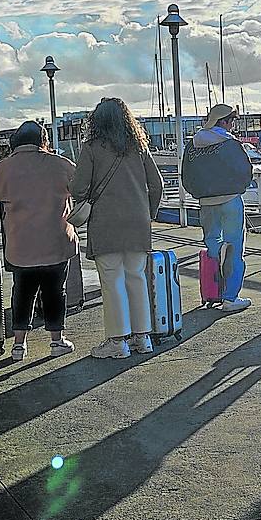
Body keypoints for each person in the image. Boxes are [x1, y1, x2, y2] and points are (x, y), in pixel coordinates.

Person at [72, 98, 163, 358]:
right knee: (137, 278)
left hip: (106, 223)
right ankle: (143, 338)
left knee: (112, 281)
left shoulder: (92, 147)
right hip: (137, 223)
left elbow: (78, 188)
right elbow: (156, 185)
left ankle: (117, 341)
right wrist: (148, 214)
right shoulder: (139, 146)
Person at [0, 121, 78, 362]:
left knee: (22, 292)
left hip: (20, 243)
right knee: (55, 291)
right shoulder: (61, 164)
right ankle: (57, 341)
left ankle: (19, 346)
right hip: (56, 241)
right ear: (43, 140)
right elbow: (79, 187)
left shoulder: (4, 168)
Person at [189, 104, 252, 312]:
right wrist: (239, 188)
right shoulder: (230, 143)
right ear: (224, 122)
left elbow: (186, 175)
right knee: (234, 246)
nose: (232, 125)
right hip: (230, 199)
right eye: (231, 121)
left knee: (212, 243)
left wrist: (198, 193)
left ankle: (214, 289)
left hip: (206, 202)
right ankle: (230, 297)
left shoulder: (193, 144)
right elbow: (245, 170)